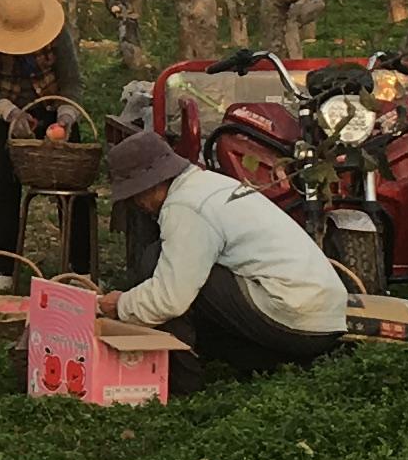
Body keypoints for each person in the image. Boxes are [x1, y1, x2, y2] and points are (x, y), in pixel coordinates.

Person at [97, 125, 346, 380]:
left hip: (295, 317)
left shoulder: (185, 206)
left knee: (159, 264)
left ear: (152, 184)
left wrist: (122, 305)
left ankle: (182, 380)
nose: (139, 204)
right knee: (181, 270)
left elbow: (169, 299)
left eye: (137, 195)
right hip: (323, 319)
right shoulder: (209, 184)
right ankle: (260, 362)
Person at [0, 0, 88, 266]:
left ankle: (80, 265)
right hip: (4, 110)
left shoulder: (56, 34)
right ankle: (2, 267)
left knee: (72, 186)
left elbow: (71, 81)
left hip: (53, 107)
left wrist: (66, 116)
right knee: (4, 185)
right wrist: (10, 114)